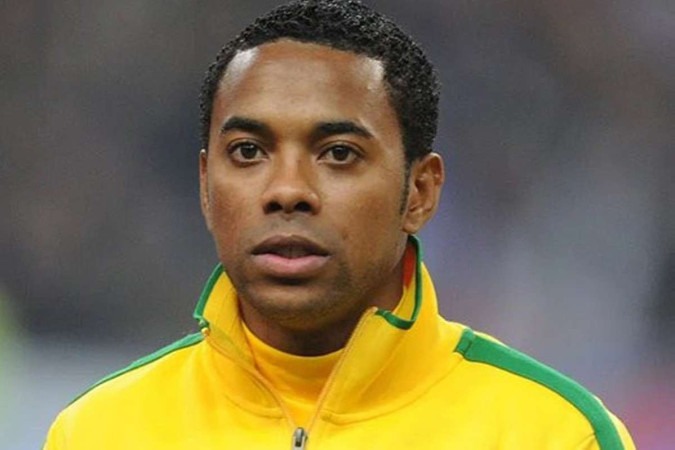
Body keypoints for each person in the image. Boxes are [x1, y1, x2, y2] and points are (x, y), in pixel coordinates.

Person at [43, 1, 634, 448]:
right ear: (205, 185)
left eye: (339, 154)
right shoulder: (99, 431)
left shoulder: (553, 433)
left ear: (420, 192)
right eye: (248, 151)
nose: (288, 191)